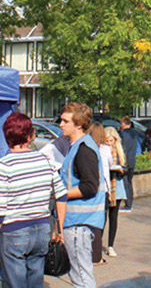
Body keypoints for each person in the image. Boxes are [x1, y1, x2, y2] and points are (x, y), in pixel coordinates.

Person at [0, 113, 68, 288]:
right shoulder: (45, 161)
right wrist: (60, 229)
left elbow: (1, 205)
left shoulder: (5, 165)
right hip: (41, 228)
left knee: (14, 282)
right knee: (35, 280)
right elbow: (61, 194)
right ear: (29, 135)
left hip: (14, 229)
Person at [59, 103, 106, 288]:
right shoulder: (79, 146)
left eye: (65, 121)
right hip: (78, 222)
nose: (61, 124)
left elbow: (89, 187)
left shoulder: (84, 149)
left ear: (79, 125)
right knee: (80, 274)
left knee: (81, 277)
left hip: (79, 223)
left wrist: (60, 194)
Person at [88, 123, 110, 266]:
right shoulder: (105, 149)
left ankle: (90, 252)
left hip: (91, 188)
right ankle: (96, 256)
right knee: (99, 222)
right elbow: (111, 162)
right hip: (104, 188)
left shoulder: (87, 148)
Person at [103, 127, 127, 259]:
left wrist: (121, 170)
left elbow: (125, 168)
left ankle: (111, 245)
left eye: (111, 140)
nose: (109, 143)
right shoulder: (102, 151)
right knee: (103, 216)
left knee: (113, 217)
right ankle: (97, 242)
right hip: (107, 186)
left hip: (116, 186)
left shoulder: (119, 152)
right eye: (106, 140)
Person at [119, 116, 139, 212]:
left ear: (123, 124)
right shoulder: (135, 133)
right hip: (132, 161)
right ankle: (130, 203)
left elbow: (123, 148)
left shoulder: (123, 134)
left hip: (125, 161)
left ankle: (127, 205)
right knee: (129, 183)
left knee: (125, 183)